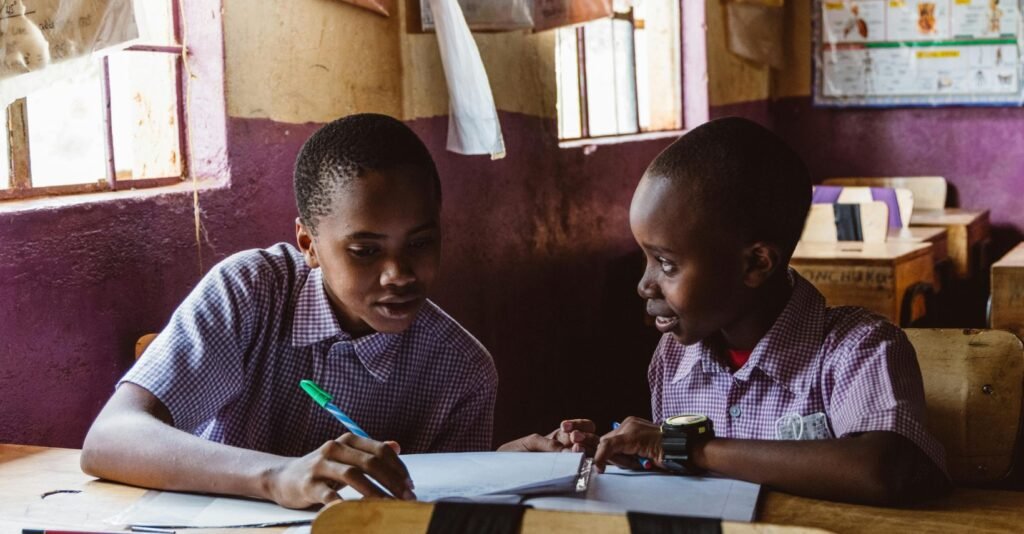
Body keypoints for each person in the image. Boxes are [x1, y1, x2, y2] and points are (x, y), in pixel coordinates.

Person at [81, 114, 498, 509]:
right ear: (308, 244)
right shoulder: (251, 293)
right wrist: (277, 477)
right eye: (365, 251)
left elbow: (445, 511)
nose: (398, 274)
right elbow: (109, 440)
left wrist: (505, 467)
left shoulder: (462, 369)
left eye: (420, 243)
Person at [540, 117, 948, 505]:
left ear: (755, 264)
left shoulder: (858, 348)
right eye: (646, 259)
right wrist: (639, 457)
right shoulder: (676, 358)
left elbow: (884, 469)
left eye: (666, 263)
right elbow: (684, 479)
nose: (644, 285)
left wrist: (689, 448)